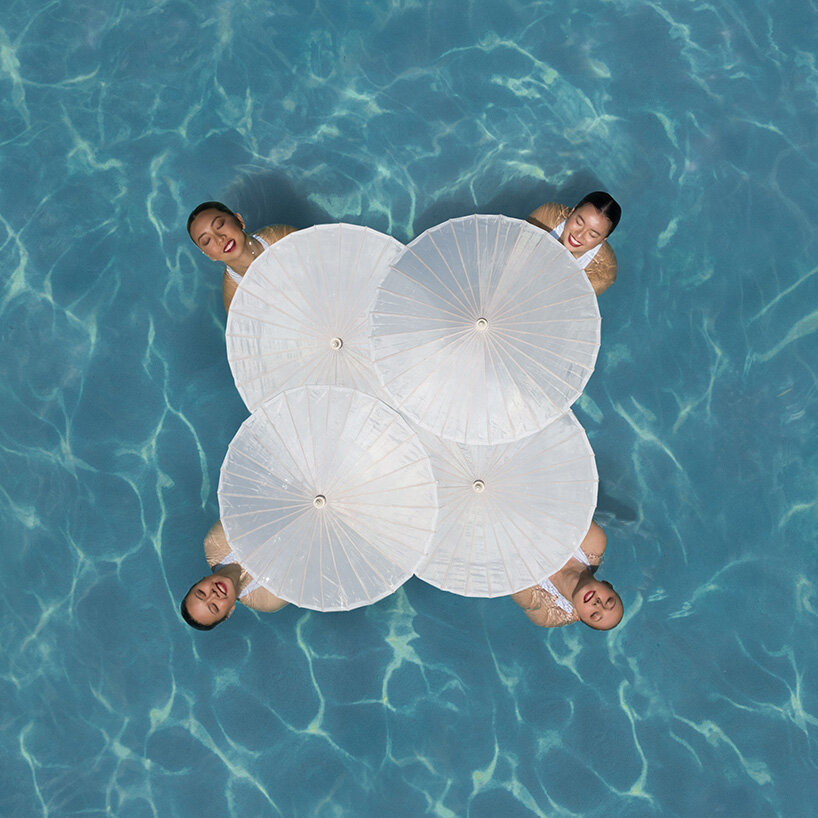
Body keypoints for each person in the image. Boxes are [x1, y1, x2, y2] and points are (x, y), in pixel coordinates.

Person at [186, 201, 298, 313]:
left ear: (239, 220)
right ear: (209, 255)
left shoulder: (283, 238)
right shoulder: (235, 301)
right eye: (207, 241)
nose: (220, 238)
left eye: (220, 225)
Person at [510, 521, 623, 630]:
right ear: (607, 585)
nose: (598, 604)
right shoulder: (593, 539)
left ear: (576, 615)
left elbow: (505, 567)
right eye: (609, 601)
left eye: (594, 615)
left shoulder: (542, 609)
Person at [180, 520, 288, 631]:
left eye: (201, 593)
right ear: (229, 612)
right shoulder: (269, 599)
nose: (213, 594)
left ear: (200, 581)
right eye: (214, 607)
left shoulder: (216, 540)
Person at [527, 191, 621, 296]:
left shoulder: (603, 271)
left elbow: (568, 300)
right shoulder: (546, 217)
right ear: (572, 211)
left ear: (603, 239)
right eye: (579, 222)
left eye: (592, 235)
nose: (579, 235)